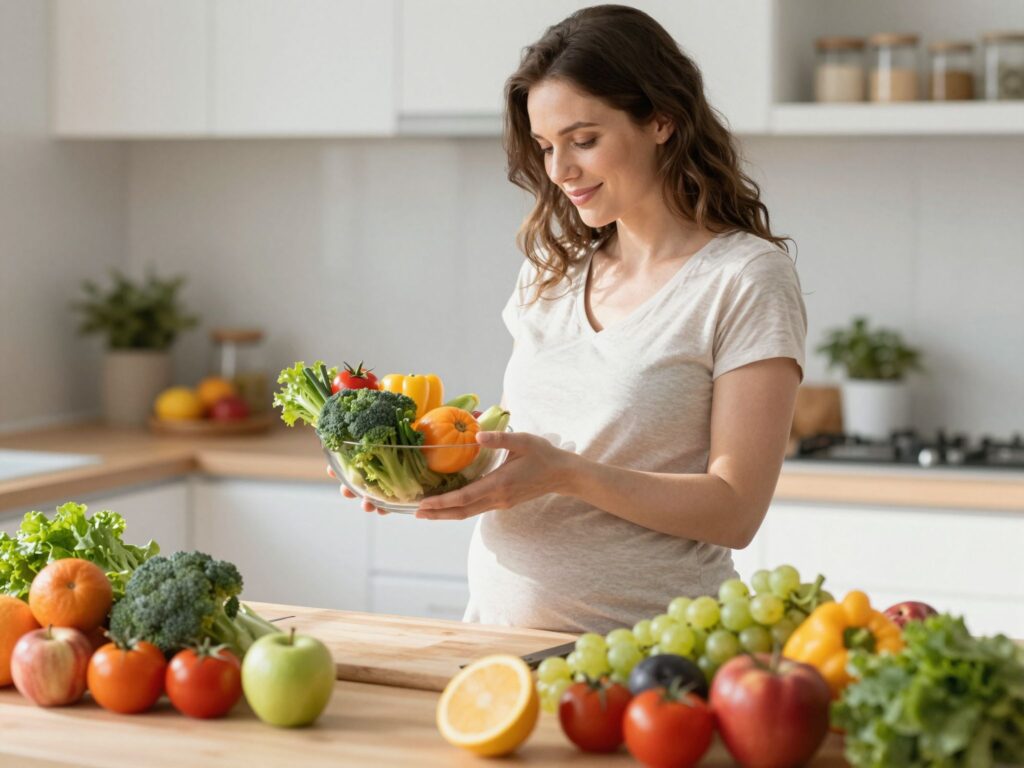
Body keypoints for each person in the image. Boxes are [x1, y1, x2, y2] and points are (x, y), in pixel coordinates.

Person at [347, 4, 806, 635]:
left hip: (651, 658)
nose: (559, 172)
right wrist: (410, 471)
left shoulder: (744, 279)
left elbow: (735, 510)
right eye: (545, 147)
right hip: (497, 640)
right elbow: (522, 451)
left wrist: (567, 474)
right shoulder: (550, 271)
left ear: (662, 119)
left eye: (583, 141)